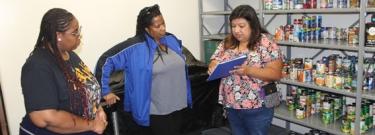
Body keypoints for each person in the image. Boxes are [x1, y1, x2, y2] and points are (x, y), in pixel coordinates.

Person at [96, 4, 191, 135]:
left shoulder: (171, 39)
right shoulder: (135, 47)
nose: (163, 28)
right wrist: (105, 91)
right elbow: (105, 61)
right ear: (146, 29)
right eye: (157, 26)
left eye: (163, 23)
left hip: (179, 105)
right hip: (156, 111)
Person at [20, 8, 107, 134]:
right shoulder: (37, 66)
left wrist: (98, 109)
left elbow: (86, 86)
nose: (79, 36)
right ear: (58, 36)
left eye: (79, 31)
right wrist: (92, 124)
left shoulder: (69, 55)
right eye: (74, 32)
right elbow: (45, 118)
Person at [207, 5, 284, 135]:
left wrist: (248, 70)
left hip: (259, 105)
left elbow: (276, 74)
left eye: (241, 26)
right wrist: (213, 65)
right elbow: (214, 60)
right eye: (233, 26)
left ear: (253, 25)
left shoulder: (266, 43)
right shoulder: (228, 42)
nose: (237, 30)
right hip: (232, 104)